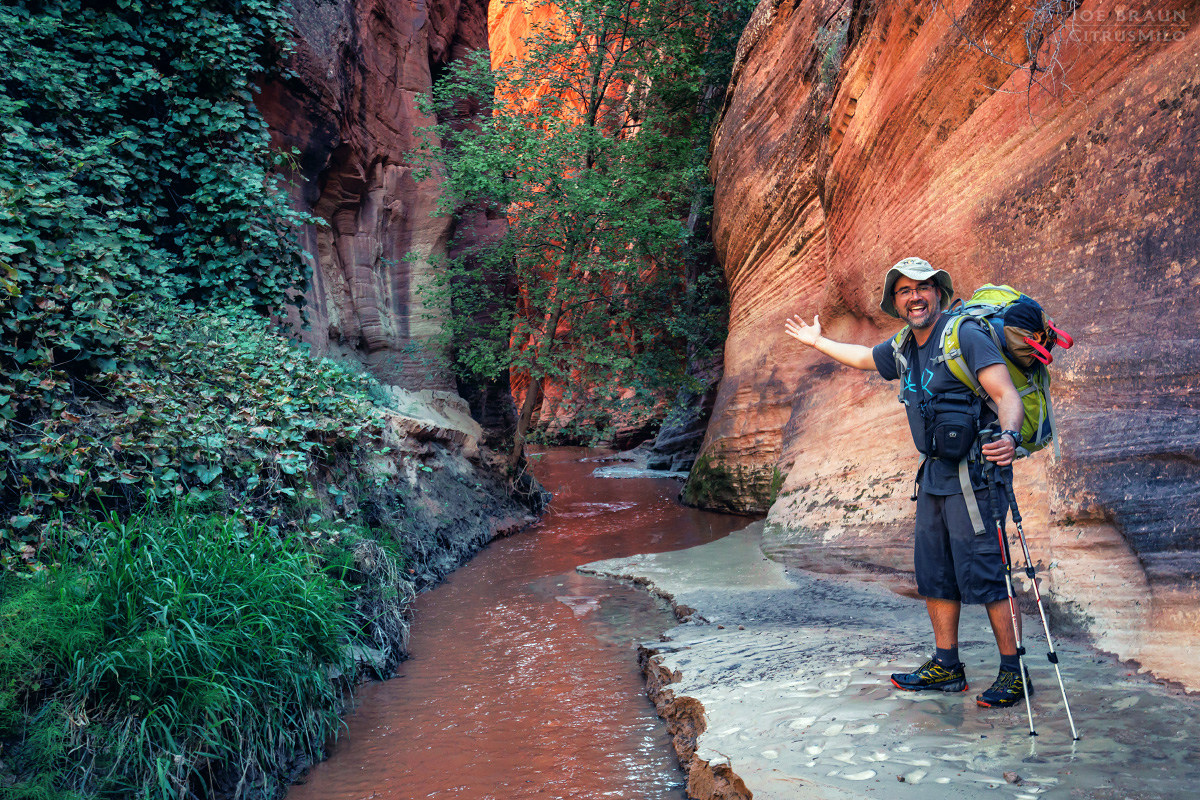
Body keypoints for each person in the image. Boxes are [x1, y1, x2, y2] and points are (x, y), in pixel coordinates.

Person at [784, 257, 1032, 708]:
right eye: (903, 291)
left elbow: (1006, 395)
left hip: (976, 475)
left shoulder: (965, 337)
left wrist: (1011, 437)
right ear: (895, 302)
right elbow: (863, 357)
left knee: (988, 575)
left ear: (938, 292)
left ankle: (1014, 673)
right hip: (935, 474)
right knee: (935, 572)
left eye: (921, 287)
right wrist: (818, 341)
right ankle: (946, 666)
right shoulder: (903, 346)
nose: (913, 296)